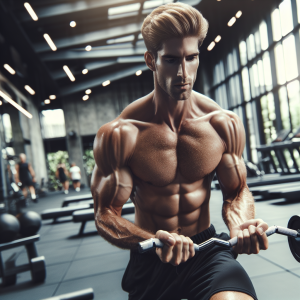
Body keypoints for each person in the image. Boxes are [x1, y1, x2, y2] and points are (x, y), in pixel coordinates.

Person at [91, 3, 268, 300]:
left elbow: (237, 192)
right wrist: (151, 240)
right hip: (152, 255)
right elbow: (105, 214)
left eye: (192, 58)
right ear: (151, 60)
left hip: (207, 250)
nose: (183, 72)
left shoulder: (222, 124)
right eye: (171, 60)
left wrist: (240, 225)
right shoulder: (121, 134)